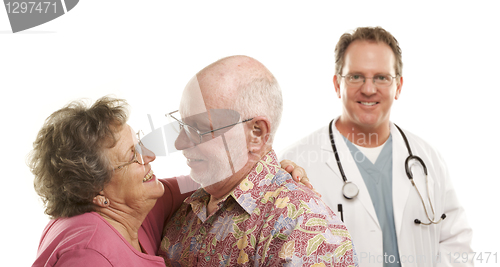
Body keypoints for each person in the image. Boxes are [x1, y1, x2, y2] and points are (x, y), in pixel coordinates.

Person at [30, 97, 308, 267]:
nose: (149, 155)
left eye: (139, 143)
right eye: (133, 155)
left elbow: (209, 179)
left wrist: (269, 171)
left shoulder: (138, 208)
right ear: (95, 190)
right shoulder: (89, 255)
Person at [280, 27, 473, 266]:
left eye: (381, 77)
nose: (369, 89)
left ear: (399, 86)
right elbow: (284, 252)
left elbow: (455, 241)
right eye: (355, 76)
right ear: (337, 84)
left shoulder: (427, 158)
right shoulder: (298, 161)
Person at [158, 55, 358, 266]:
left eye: (199, 128)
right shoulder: (185, 208)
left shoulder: (305, 227)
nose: (180, 143)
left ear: (256, 133)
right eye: (182, 125)